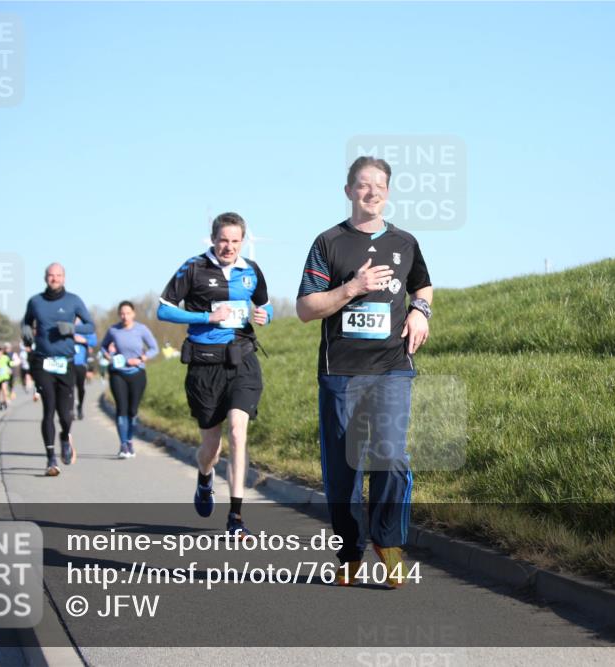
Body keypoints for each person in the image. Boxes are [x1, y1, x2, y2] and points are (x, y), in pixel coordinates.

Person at [295, 157, 432, 588]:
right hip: (340, 372)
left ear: (388, 193)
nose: (371, 192)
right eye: (362, 185)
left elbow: (422, 285)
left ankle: (388, 543)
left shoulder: (406, 243)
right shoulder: (329, 242)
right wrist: (352, 287)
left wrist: (420, 312)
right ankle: (350, 551)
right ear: (348, 191)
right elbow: (305, 308)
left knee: (391, 455)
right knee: (343, 469)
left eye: (379, 185)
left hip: (392, 368)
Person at [157, 212, 272, 536]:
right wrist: (206, 316)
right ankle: (205, 477)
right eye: (224, 240)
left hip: (242, 360)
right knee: (211, 448)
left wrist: (265, 314)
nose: (229, 247)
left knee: (238, 432)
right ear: (213, 239)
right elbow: (163, 308)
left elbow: (265, 305)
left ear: (243, 241)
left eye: (235, 241)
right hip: (205, 366)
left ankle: (236, 517)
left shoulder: (251, 270)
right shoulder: (193, 268)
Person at [22, 263, 95, 477]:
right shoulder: (35, 301)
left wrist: (72, 328)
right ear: (45, 277)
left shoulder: (73, 300)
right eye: (51, 275)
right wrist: (26, 331)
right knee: (48, 409)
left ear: (64, 278)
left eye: (58, 275)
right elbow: (26, 322)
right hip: (43, 361)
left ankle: (65, 437)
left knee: (65, 414)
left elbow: (90, 326)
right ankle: (50, 459)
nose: (54, 279)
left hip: (66, 362)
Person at [102, 300, 159, 459]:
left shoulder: (141, 329)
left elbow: (155, 348)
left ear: (133, 314)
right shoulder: (113, 330)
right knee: (121, 408)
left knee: (132, 410)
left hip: (137, 373)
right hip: (117, 373)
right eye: (122, 313)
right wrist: (108, 356)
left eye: (127, 313)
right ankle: (123, 444)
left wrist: (142, 358)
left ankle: (130, 440)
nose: (124, 316)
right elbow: (103, 346)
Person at [71, 320, 97, 420]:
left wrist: (83, 340)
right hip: (68, 363)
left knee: (80, 387)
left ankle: (80, 406)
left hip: (81, 363)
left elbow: (94, 342)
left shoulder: (85, 327)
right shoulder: (66, 324)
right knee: (69, 388)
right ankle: (70, 409)